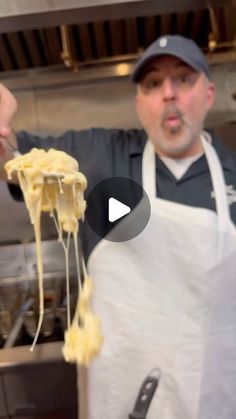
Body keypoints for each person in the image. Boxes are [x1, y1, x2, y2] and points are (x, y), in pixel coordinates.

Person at [0, 34, 236, 419]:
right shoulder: (99, 158)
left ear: (208, 94)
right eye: (152, 84)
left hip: (210, 397)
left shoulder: (232, 176)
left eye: (183, 79)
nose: (169, 94)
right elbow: (13, 162)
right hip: (121, 396)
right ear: (139, 103)